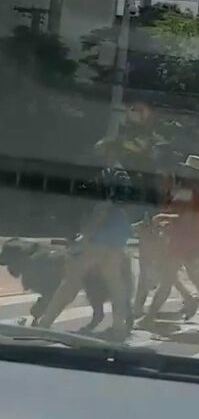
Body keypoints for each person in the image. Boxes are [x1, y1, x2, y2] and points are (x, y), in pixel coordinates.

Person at [35, 138, 136, 339]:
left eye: (99, 151)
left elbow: (103, 206)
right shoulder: (123, 174)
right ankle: (119, 326)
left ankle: (45, 324)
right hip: (117, 234)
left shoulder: (109, 173)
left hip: (101, 234)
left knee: (71, 280)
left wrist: (87, 233)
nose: (95, 155)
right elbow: (124, 205)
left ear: (109, 152)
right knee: (115, 282)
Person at [138, 155, 199, 331]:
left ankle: (150, 317)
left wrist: (163, 218)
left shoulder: (196, 191)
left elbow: (187, 217)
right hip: (184, 239)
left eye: (190, 171)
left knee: (188, 279)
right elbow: (178, 212)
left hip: (187, 240)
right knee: (182, 279)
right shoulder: (189, 189)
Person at [132, 169, 199, 319]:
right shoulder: (166, 195)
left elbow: (180, 218)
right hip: (160, 238)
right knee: (166, 273)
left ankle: (141, 309)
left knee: (161, 274)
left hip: (165, 239)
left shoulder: (179, 195)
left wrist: (160, 220)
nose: (161, 183)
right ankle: (189, 297)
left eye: (164, 179)